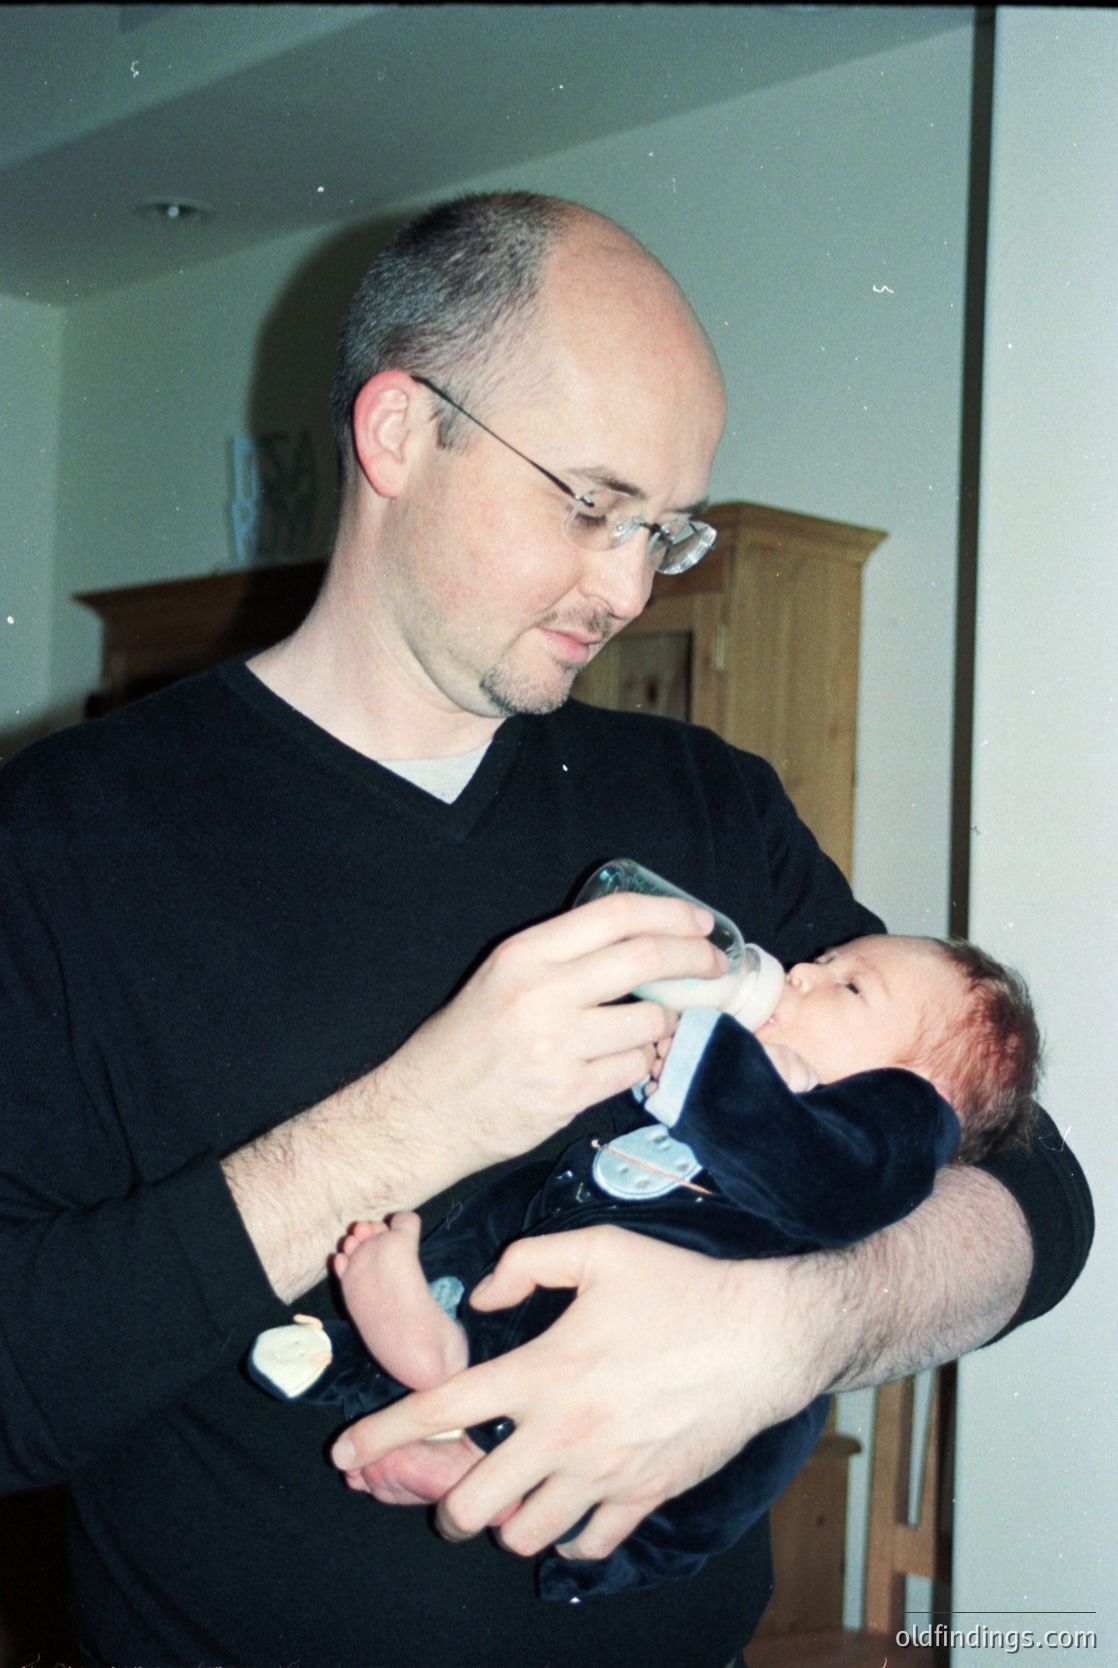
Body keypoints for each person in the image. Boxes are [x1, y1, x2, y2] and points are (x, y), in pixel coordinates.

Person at [0, 192, 1092, 1668]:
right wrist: (396, 1132)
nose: (629, 588)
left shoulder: (708, 801)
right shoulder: (62, 839)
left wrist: (791, 1328)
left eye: (665, 528)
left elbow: (1035, 1188)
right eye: (591, 503)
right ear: (398, 435)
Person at [249, 932, 1039, 1602]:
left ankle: (451, 1422)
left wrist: (707, 1058)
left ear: (917, 1096)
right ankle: (392, 1353)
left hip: (690, 1353)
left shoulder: (876, 1143)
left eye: (849, 986)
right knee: (487, 1247)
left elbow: (817, 1171)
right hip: (572, 1244)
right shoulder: (772, 1075)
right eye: (825, 960)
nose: (800, 972)